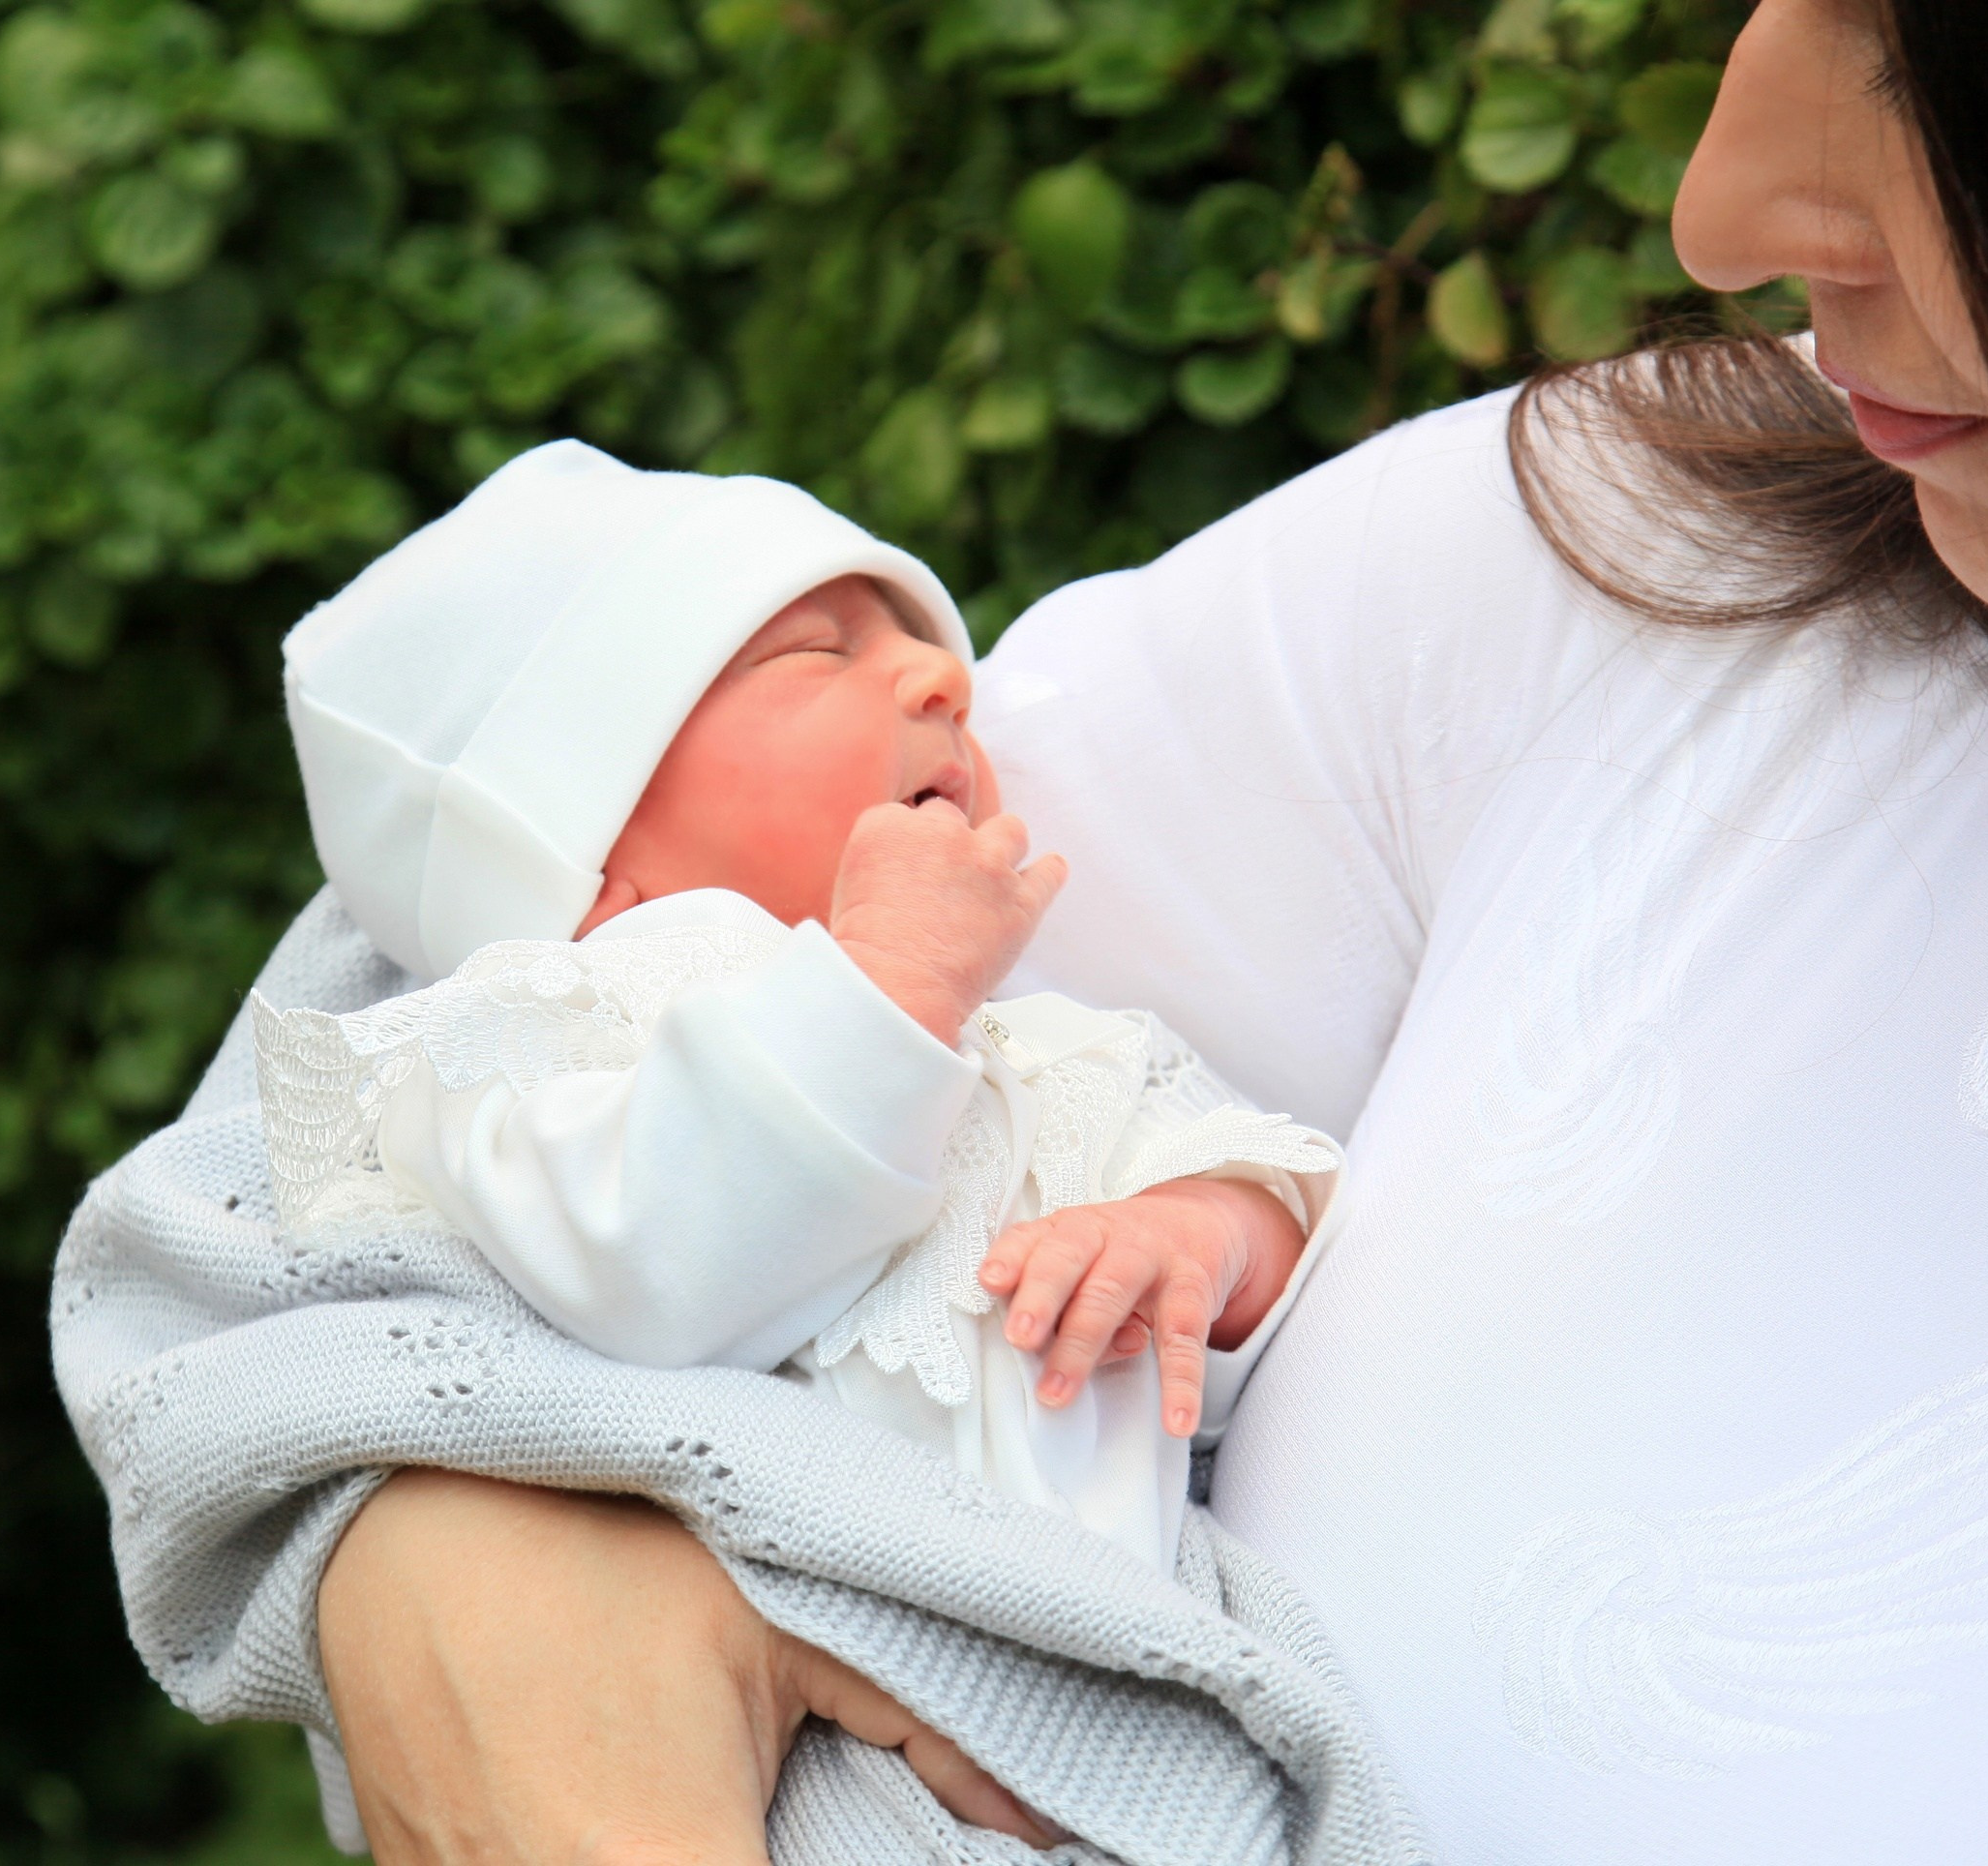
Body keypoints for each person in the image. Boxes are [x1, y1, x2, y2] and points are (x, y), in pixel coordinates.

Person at [74, 0, 1988, 1858]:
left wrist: (1211, 1221)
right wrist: (476, 1565)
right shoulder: (1632, 565)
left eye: (1950, 64)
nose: (1720, 208)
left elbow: (1153, 1143)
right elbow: (374, 1063)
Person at [252, 448, 1338, 1576]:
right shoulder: (539, 1036)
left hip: (1121, 1668)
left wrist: (1203, 1235)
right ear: (590, 849)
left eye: (913, 637)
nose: (941, 674)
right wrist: (891, 982)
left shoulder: (1041, 1040)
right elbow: (658, 1268)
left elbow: (1273, 1238)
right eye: (818, 650)